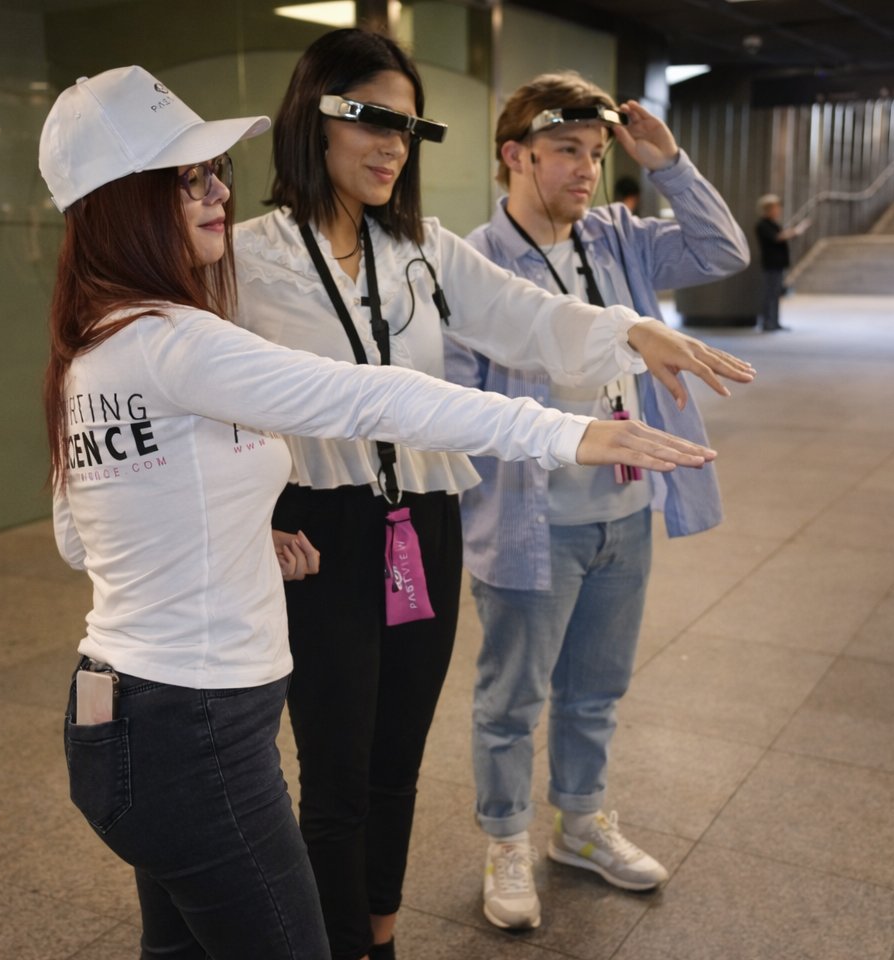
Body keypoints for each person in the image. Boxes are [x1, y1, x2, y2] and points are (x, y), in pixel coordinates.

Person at [41, 65, 718, 960]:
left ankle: (379, 935)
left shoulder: (94, 344)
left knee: (207, 923)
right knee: (310, 857)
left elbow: (81, 528)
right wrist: (568, 433)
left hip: (137, 705)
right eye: (188, 178)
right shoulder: (191, 323)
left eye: (215, 174)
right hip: (201, 713)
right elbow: (370, 397)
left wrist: (232, 530)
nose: (214, 192)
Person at [230, 29, 755, 960]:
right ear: (315, 117)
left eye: (409, 127)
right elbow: (205, 403)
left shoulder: (422, 250)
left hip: (421, 521)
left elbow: (528, 316)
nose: (394, 146)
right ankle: (338, 943)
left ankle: (381, 936)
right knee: (337, 772)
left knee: (396, 762)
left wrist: (633, 332)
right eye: (373, 119)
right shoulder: (245, 259)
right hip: (317, 529)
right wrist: (249, 517)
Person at [447, 71, 748, 931]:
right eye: (567, 151)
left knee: (596, 690)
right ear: (515, 155)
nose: (587, 168)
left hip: (622, 512)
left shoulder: (617, 237)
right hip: (529, 523)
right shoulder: (475, 263)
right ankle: (507, 839)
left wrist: (670, 164)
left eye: (595, 152)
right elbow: (455, 405)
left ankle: (579, 825)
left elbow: (723, 252)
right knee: (512, 699)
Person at [755, 193, 806, 332]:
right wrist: (795, 231)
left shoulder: (773, 224)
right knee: (770, 294)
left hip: (778, 264)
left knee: (776, 294)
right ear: (768, 209)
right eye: (776, 208)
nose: (778, 210)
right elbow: (776, 238)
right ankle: (767, 322)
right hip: (771, 264)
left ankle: (775, 322)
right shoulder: (763, 225)